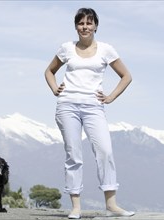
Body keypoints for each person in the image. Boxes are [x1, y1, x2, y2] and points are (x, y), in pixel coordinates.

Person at [44, 8, 134, 219]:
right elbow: (49, 71)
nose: (85, 27)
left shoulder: (106, 50)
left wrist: (111, 97)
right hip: (67, 106)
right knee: (73, 154)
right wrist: (54, 88)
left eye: (89, 23)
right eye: (81, 23)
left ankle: (111, 205)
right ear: (76, 26)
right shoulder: (66, 48)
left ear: (95, 26)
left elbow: (126, 76)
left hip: (94, 107)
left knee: (105, 150)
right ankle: (76, 206)